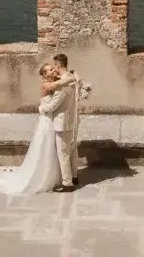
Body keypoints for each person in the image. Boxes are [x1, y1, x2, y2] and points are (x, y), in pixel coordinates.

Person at [0, 63, 65, 195]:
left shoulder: (52, 81)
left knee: (51, 145)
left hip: (50, 117)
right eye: (50, 70)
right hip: (47, 119)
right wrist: (67, 76)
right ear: (44, 75)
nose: (53, 70)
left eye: (52, 68)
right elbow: (61, 84)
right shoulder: (46, 85)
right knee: (46, 145)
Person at [42, 53, 82, 189]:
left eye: (54, 66)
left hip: (62, 122)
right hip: (72, 119)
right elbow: (75, 74)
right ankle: (75, 176)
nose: (54, 68)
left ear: (58, 65)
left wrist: (42, 108)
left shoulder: (61, 85)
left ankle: (67, 183)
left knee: (63, 153)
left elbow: (54, 105)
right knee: (72, 150)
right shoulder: (72, 78)